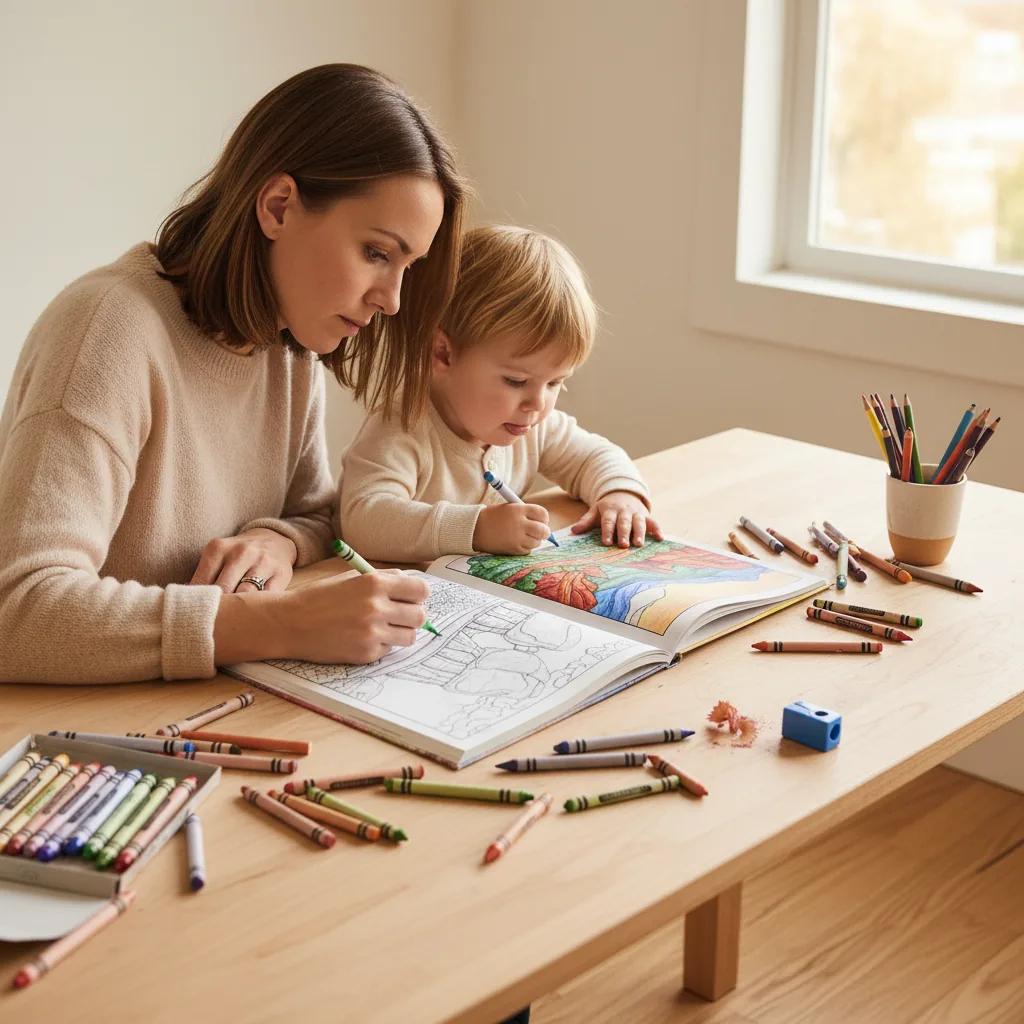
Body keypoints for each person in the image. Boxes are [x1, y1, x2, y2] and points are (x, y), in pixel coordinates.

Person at [0, 63, 468, 684]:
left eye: (406, 266)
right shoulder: (106, 331)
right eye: (377, 253)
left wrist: (275, 540)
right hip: (87, 743)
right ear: (278, 207)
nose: (393, 300)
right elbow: (19, 613)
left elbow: (320, 515)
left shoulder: (285, 343)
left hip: (194, 708)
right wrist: (279, 623)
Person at [338, 225, 662, 562]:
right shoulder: (402, 428)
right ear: (444, 354)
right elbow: (364, 520)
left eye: (554, 383)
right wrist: (477, 529)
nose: (537, 404)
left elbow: (594, 456)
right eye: (516, 381)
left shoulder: (533, 426)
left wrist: (620, 493)